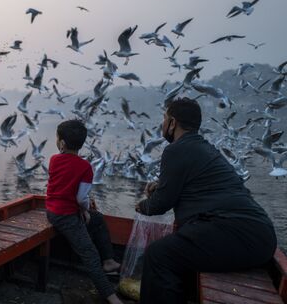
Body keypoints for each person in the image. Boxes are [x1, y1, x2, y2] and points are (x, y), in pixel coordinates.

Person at [136, 97, 277, 303]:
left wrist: (142, 206)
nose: (163, 124)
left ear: (173, 123)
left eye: (164, 119)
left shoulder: (176, 149)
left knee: (158, 256)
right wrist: (161, 187)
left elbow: (159, 205)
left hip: (236, 233)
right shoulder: (207, 149)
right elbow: (194, 186)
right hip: (260, 237)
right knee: (177, 257)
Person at [46, 119, 123, 304]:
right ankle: (111, 297)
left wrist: (86, 212)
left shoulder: (54, 160)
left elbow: (64, 189)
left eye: (57, 138)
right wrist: (85, 210)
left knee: (97, 219)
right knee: (90, 253)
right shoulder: (85, 167)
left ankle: (109, 261)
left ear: (62, 143)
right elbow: (82, 199)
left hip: (53, 212)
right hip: (66, 217)